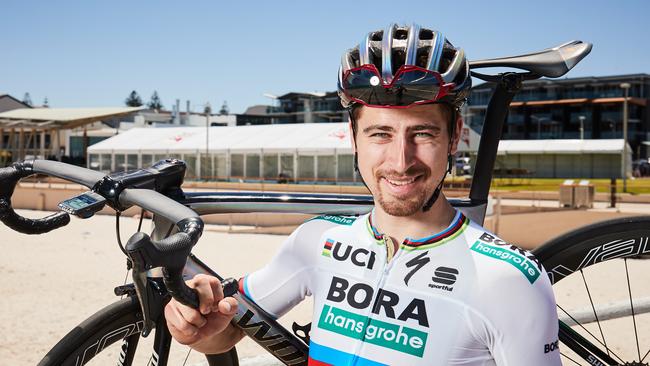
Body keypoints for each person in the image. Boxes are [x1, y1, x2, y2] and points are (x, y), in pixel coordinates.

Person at [164, 24, 561, 365]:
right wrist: (197, 326)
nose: (400, 161)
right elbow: (225, 333)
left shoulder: (510, 279)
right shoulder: (317, 240)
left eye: (422, 133)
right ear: (353, 138)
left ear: (455, 137)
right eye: (380, 134)